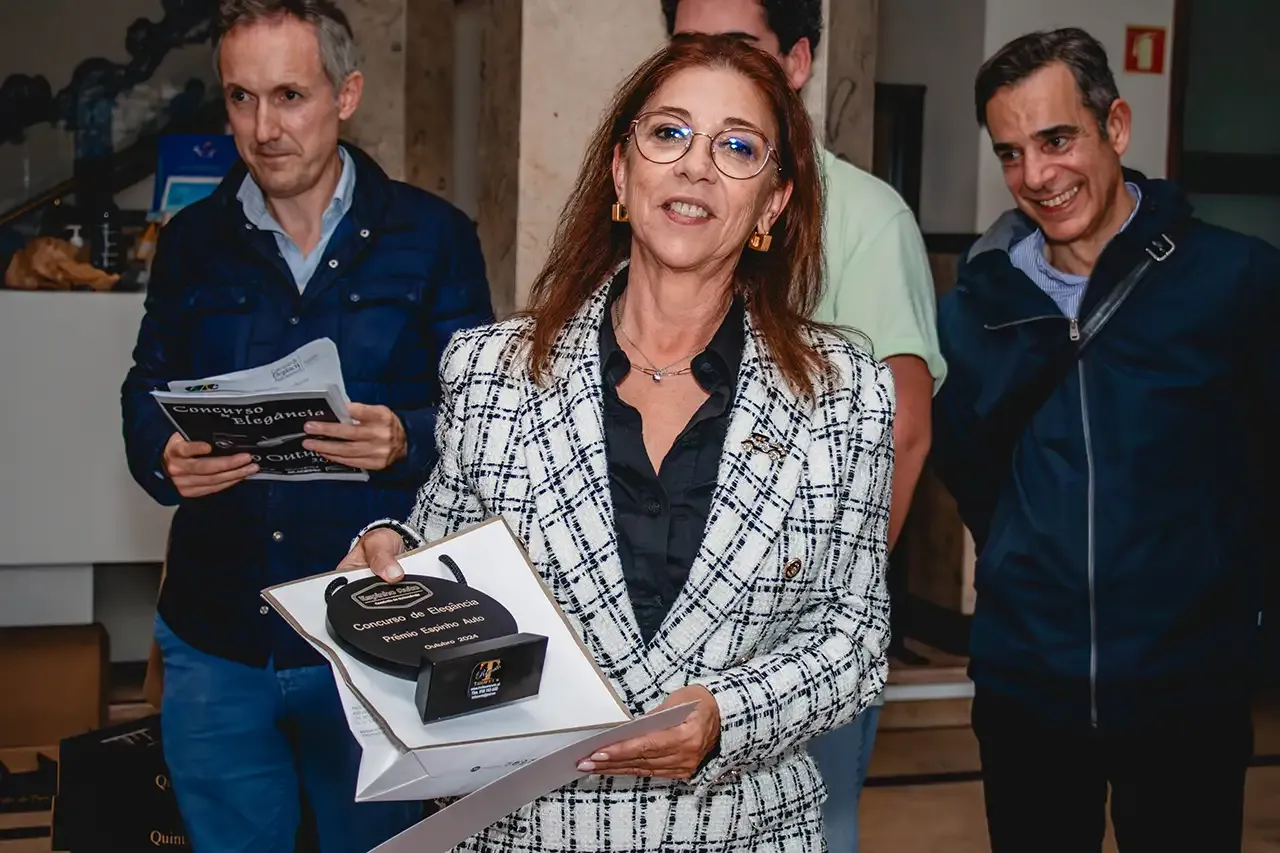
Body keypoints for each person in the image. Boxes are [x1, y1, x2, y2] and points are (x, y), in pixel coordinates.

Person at [340, 33, 894, 852]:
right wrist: (391, 558)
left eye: (738, 147)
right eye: (669, 133)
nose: (695, 166)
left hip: (743, 831)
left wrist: (727, 717)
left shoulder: (843, 394)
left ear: (773, 205)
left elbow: (855, 635)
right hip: (527, 832)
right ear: (621, 172)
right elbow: (440, 557)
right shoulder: (491, 372)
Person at [119, 1, 493, 850]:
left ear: (346, 94)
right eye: (240, 98)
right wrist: (163, 453)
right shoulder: (191, 241)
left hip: (377, 634)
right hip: (219, 634)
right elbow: (145, 386)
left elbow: (483, 421)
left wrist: (407, 436)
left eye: (289, 95)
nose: (263, 128)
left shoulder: (433, 237)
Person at [932, 27, 1280, 853]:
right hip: (1027, 695)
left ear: (1115, 127)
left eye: (1057, 140)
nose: (1036, 175)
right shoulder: (977, 308)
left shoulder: (1238, 282)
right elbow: (970, 472)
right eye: (1011, 152)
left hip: (1186, 694)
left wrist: (1241, 620)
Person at [662, 3, 946, 850]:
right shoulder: (664, 198)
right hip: (666, 624)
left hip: (792, 638)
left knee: (810, 829)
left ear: (795, 61)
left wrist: (828, 620)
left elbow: (904, 431)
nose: (710, 64)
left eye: (737, 46)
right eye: (688, 47)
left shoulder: (864, 214)